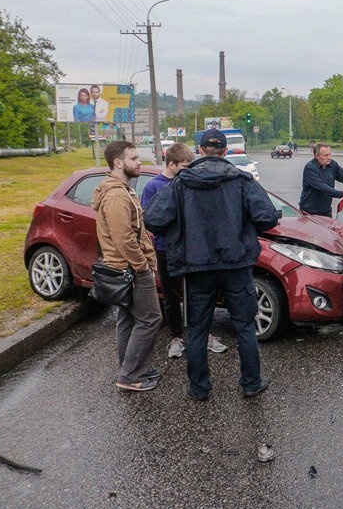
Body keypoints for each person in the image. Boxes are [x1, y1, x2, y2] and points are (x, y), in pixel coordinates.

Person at [144, 129, 278, 400]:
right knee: (243, 325)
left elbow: (154, 220)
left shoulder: (182, 183)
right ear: (225, 151)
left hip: (197, 268)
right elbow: (266, 217)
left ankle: (199, 388)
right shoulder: (242, 180)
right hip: (236, 266)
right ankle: (251, 383)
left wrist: (180, 227)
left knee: (197, 328)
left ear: (200, 150)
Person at [140, 143, 228, 359]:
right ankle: (176, 337)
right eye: (185, 166)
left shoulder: (189, 182)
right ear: (171, 164)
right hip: (165, 248)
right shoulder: (154, 186)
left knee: (197, 293)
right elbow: (149, 218)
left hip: (192, 248)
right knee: (171, 295)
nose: (189, 169)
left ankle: (202, 333)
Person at [91, 140, 161, 392]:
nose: (139, 162)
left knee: (128, 319)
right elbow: (124, 239)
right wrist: (142, 266)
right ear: (118, 163)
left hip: (125, 267)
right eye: (133, 159)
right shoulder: (117, 195)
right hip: (129, 268)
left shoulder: (122, 189)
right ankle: (130, 375)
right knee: (151, 318)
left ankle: (134, 367)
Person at [298, 143, 343, 217]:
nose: (329, 157)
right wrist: (341, 193)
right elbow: (321, 187)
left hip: (326, 211)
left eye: (330, 154)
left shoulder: (332, 164)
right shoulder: (310, 168)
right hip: (309, 212)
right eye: (325, 155)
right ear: (317, 156)